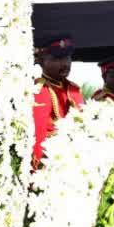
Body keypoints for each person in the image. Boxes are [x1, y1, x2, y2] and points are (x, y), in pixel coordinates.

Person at [32, 33, 84, 166]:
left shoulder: (74, 90)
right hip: (50, 163)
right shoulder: (40, 90)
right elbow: (38, 136)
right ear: (42, 61)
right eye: (57, 58)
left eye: (67, 57)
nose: (65, 63)